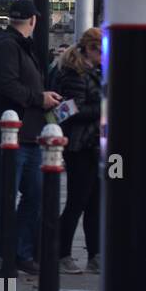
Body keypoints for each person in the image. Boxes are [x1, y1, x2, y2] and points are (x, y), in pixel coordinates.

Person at [0, 0, 62, 277]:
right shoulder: (7, 46)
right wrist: (39, 98)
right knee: (4, 196)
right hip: (8, 136)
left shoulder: (21, 47)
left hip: (30, 135)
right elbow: (7, 85)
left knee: (36, 195)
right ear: (34, 20)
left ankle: (20, 252)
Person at [53, 28, 103, 274]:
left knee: (95, 203)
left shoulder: (92, 72)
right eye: (102, 51)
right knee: (77, 202)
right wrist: (103, 109)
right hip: (79, 147)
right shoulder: (75, 74)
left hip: (93, 146)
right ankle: (62, 254)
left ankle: (95, 255)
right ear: (91, 49)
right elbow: (68, 111)